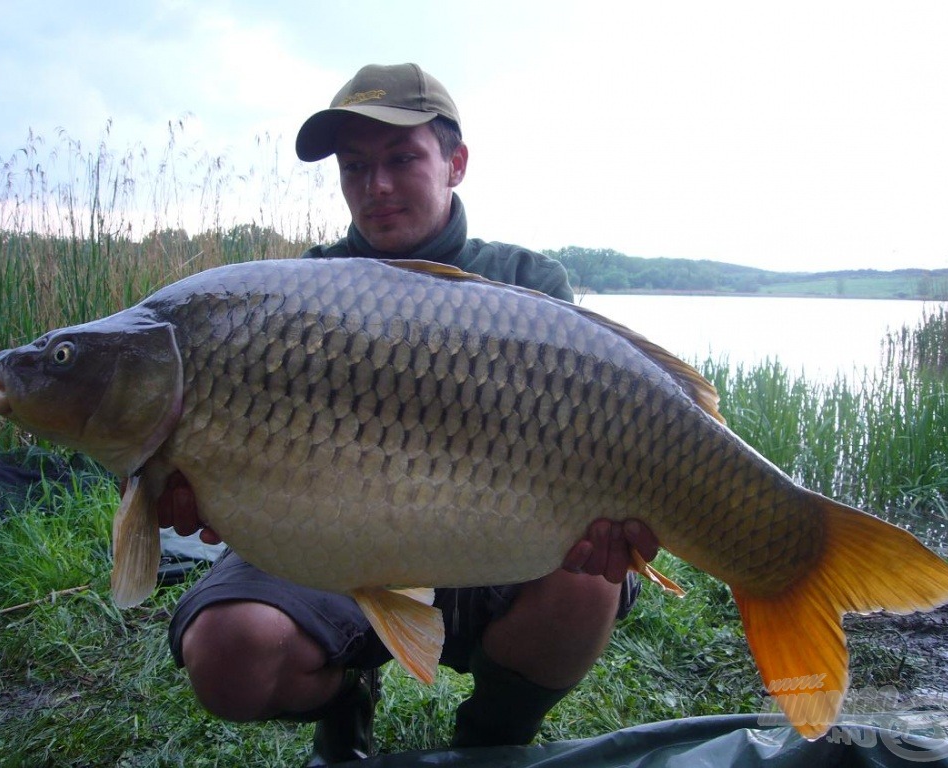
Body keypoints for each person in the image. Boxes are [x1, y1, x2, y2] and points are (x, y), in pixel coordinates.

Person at [158, 63, 659, 765]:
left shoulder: (527, 285)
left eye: (401, 159)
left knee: (589, 578)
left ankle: (492, 742)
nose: (377, 185)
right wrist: (213, 489)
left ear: (455, 163)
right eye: (355, 166)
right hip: (335, 557)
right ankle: (343, 698)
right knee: (227, 653)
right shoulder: (300, 296)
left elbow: (589, 449)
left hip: (487, 553)